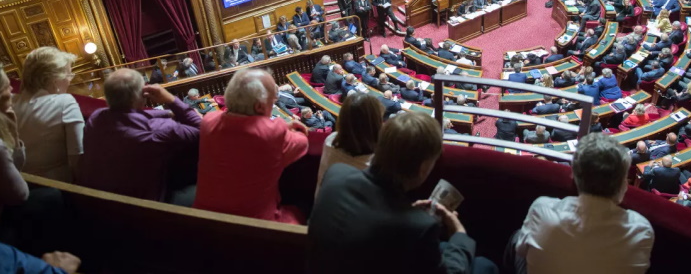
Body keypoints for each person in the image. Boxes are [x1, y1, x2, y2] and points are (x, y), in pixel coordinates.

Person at [309, 112, 497, 274]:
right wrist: (459, 234)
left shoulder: (336, 174)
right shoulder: (419, 228)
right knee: (485, 266)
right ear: (424, 168)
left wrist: (409, 214)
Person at [510, 133, 654, 274]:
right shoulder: (641, 229)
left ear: (573, 174)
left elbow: (521, 250)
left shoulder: (542, 208)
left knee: (518, 236)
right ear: (623, 183)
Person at [194, 69, 308, 223]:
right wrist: (285, 129)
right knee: (305, 204)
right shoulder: (272, 132)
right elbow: (302, 142)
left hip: (202, 222)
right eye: (273, 102)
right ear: (260, 107)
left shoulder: (208, 121)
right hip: (255, 229)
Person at [77, 69, 201, 202]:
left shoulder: (96, 118)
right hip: (144, 211)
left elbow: (128, 115)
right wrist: (170, 99)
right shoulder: (157, 129)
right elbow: (202, 128)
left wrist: (168, 113)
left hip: (98, 206)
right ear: (143, 94)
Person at [11, 47, 83, 183]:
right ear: (54, 80)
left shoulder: (8, 101)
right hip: (58, 188)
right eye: (69, 75)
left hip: (17, 184)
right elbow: (78, 159)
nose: (70, 80)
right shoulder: (65, 102)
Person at [0, 64, 29, 240]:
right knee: (51, 199)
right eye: (7, 87)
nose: (12, 90)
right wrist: (13, 133)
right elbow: (20, 194)